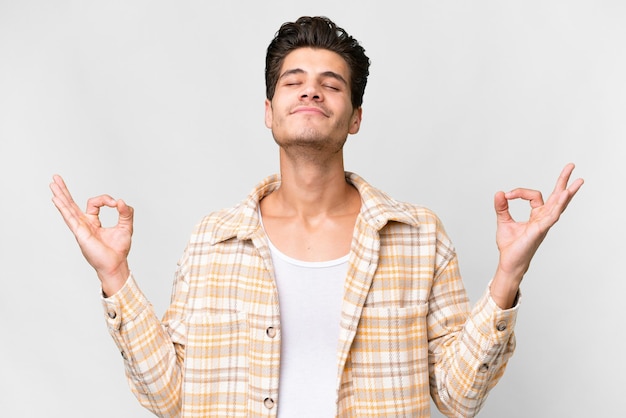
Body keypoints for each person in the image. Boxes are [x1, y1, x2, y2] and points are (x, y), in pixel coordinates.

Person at [50, 16, 583, 418]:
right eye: (293, 80)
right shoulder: (212, 240)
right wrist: (114, 277)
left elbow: (457, 396)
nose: (311, 90)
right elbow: (168, 395)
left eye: (332, 84)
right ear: (268, 111)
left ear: (354, 118)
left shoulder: (419, 235)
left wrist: (508, 275)